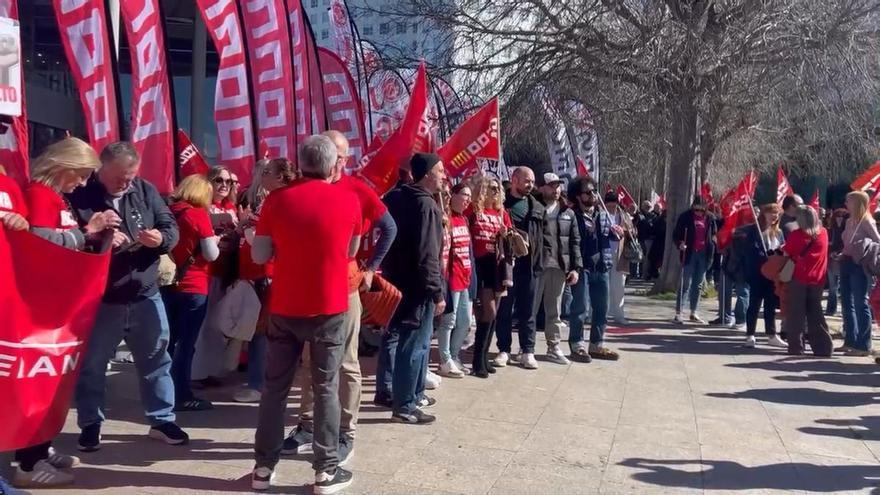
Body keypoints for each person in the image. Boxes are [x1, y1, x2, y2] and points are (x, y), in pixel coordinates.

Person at [250, 135, 361, 493]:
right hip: (329, 307)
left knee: (275, 390)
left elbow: (259, 254)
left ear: (301, 164)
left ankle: (263, 469)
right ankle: (325, 472)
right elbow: (351, 249)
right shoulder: (348, 199)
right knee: (326, 387)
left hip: (285, 306)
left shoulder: (277, 201)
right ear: (332, 166)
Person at [283, 130, 397, 465]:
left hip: (345, 289)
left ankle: (345, 431)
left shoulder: (356, 189)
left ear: (343, 160)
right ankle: (306, 425)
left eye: (337, 154)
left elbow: (389, 227)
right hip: (307, 289)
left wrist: (371, 268)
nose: (331, 159)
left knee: (346, 362)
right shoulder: (302, 189)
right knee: (309, 359)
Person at [14, 139, 118, 488]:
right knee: (37, 381)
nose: (84, 183)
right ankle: (28, 461)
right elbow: (39, 240)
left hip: (54, 304)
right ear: (64, 166)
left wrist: (91, 235)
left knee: (49, 381)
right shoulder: (40, 195)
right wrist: (86, 233)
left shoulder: (55, 196)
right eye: (83, 174)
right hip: (40, 307)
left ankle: (39, 450)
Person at [68, 141, 185, 452]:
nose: (126, 183)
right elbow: (68, 237)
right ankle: (91, 423)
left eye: (131, 176)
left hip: (145, 293)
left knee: (157, 358)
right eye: (120, 177)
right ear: (101, 169)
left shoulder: (144, 190)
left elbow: (171, 227)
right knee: (93, 365)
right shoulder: (80, 194)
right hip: (102, 297)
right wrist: (98, 236)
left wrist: (160, 239)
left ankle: (161, 419)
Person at [377, 153, 446, 423]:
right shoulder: (426, 206)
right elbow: (428, 254)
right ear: (427, 174)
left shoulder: (394, 198)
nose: (444, 176)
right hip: (418, 289)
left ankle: (410, 394)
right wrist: (437, 292)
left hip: (395, 281)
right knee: (414, 345)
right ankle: (404, 405)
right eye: (440, 171)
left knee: (398, 339)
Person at [233, 158, 295, 403]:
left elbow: (262, 245)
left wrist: (247, 226)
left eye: (267, 172)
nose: (261, 177)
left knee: (262, 332)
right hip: (263, 275)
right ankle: (263, 382)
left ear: (280, 177)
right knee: (264, 332)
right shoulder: (276, 201)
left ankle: (258, 383)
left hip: (267, 275)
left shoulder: (279, 202)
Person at [162, 174, 220, 412]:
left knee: (168, 342)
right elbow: (211, 254)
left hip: (167, 283)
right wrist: (216, 239)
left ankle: (162, 392)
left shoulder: (167, 212)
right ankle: (182, 395)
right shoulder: (198, 215)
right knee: (186, 344)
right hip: (194, 285)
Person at [191, 166, 240, 386]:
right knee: (203, 325)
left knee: (217, 325)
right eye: (219, 180)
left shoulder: (231, 208)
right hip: (207, 272)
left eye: (228, 182)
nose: (224, 185)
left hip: (227, 271)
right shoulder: (202, 207)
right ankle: (196, 373)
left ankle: (212, 370)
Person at [495, 166, 545, 369]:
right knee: (504, 309)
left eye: (532, 181)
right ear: (514, 180)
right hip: (507, 265)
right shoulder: (500, 204)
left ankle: (528, 350)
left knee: (528, 310)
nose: (530, 185)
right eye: (527, 180)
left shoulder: (537, 208)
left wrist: (541, 258)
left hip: (529, 265)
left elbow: (545, 239)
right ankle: (504, 349)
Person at [567, 177, 620, 362]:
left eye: (594, 191)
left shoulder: (602, 214)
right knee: (580, 307)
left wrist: (617, 233)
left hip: (602, 267)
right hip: (583, 268)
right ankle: (577, 344)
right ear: (578, 196)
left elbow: (610, 238)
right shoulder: (572, 215)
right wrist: (573, 266)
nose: (593, 195)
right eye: (587, 192)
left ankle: (596, 344)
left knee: (601, 308)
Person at [464, 175, 511, 378]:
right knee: (488, 311)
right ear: (483, 189)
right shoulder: (473, 211)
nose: (495, 191)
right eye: (492, 187)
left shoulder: (502, 213)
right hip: (479, 264)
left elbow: (510, 238)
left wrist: (505, 233)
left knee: (495, 312)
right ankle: (477, 359)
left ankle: (483, 357)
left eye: (498, 188)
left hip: (497, 265)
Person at [534, 173, 581, 364]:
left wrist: (575, 267)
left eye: (558, 186)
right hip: (538, 266)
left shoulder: (568, 212)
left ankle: (553, 347)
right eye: (551, 186)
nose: (556, 190)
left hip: (559, 267)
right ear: (542, 188)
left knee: (555, 311)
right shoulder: (534, 207)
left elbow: (575, 241)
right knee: (531, 308)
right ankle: (526, 347)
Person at [783, 206, 833, 356]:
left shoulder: (797, 235)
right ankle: (823, 348)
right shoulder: (824, 233)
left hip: (798, 278)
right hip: (817, 279)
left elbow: (787, 252)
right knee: (816, 314)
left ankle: (796, 348)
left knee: (796, 315)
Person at [436, 182, 474, 376]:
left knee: (465, 322)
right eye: (464, 195)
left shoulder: (464, 219)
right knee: (448, 322)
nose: (468, 199)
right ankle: (445, 360)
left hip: (464, 279)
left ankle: (454, 354)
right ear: (453, 195)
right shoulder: (446, 218)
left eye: (470, 196)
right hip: (450, 279)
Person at [738, 204, 786, 348]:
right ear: (764, 214)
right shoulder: (754, 230)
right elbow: (749, 251)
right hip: (758, 273)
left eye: (777, 214)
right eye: (772, 213)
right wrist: (764, 257)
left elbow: (783, 248)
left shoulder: (778, 232)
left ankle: (771, 334)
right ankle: (750, 334)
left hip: (773, 274)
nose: (774, 216)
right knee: (754, 304)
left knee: (770, 305)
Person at [838, 191, 878, 357]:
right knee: (846, 302)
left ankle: (863, 345)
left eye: (849, 201)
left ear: (858, 203)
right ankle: (850, 340)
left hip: (859, 265)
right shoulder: (849, 221)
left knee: (861, 303)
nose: (846, 203)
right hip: (845, 261)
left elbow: (877, 241)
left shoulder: (867, 221)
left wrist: (864, 247)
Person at [672, 197, 717, 324]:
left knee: (698, 284)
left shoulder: (710, 218)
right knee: (686, 283)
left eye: (700, 209)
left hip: (703, 253)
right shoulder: (685, 217)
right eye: (695, 209)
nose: (697, 212)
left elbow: (713, 234)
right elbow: (676, 235)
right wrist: (680, 243)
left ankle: (693, 312)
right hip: (689, 253)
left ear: (705, 208)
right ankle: (679, 312)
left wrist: (713, 244)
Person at [604, 192, 633, 324]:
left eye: (613, 203)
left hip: (620, 254)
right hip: (604, 252)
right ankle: (600, 312)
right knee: (603, 284)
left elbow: (633, 231)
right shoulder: (601, 213)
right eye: (608, 203)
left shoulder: (623, 215)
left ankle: (619, 314)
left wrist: (624, 231)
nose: (611, 206)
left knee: (619, 285)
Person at [825, 208, 847, 316]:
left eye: (842, 217)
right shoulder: (830, 230)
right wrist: (831, 253)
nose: (839, 219)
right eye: (837, 217)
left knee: (844, 288)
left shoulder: (847, 230)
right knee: (832, 287)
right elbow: (826, 245)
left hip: (843, 260)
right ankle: (830, 309)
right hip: (831, 261)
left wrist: (840, 253)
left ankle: (844, 310)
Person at [635, 200, 657, 280]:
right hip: (641, 239)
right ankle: (641, 273)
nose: (647, 208)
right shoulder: (639, 216)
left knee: (647, 258)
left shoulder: (653, 216)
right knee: (641, 257)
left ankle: (646, 274)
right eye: (646, 206)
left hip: (649, 239)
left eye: (649, 207)